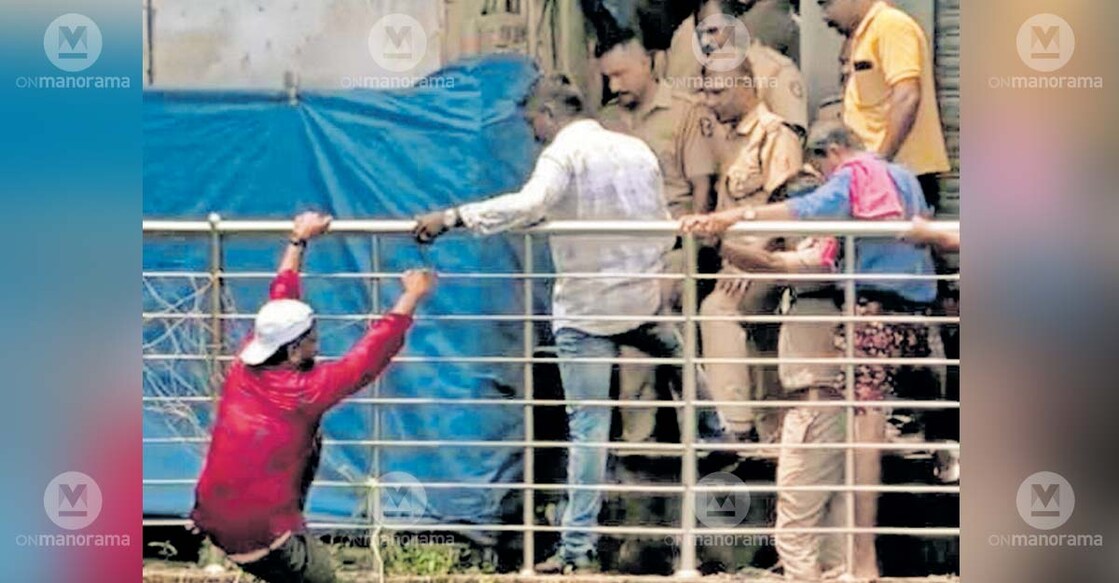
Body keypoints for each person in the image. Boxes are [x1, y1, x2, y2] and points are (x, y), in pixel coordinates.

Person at [412, 78, 682, 575]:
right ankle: (716, 426)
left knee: (588, 431)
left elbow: (527, 204)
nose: (532, 130)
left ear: (551, 112)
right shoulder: (636, 148)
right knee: (674, 350)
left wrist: (452, 217)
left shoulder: (563, 154)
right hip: (638, 299)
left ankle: (577, 549)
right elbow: (661, 224)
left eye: (533, 119)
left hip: (584, 312)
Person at [680, 121, 936, 579]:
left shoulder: (855, 181)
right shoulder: (899, 182)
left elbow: (808, 212)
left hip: (838, 376)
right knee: (833, 504)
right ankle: (851, 568)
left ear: (833, 153)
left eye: (825, 172)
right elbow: (781, 262)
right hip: (894, 330)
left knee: (800, 516)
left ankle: (862, 565)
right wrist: (724, 242)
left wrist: (733, 218)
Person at [190, 212, 436, 583]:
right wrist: (412, 295)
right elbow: (369, 356)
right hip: (265, 535)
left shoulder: (243, 365)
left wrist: (298, 239)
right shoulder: (307, 391)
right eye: (311, 338)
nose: (317, 343)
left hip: (210, 515)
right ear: (292, 350)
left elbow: (280, 299)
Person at [595, 35, 720, 447]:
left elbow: (702, 189)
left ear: (647, 64)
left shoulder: (686, 113)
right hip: (624, 254)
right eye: (608, 78)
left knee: (678, 339)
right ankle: (638, 443)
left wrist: (690, 254)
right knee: (633, 352)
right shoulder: (605, 120)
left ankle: (699, 442)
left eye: (621, 74)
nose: (615, 86)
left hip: (674, 249)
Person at [697, 56, 803, 445]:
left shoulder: (775, 137)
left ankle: (733, 428)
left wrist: (748, 262)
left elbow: (787, 209)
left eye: (718, 91)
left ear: (747, 86)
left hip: (768, 266)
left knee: (719, 310)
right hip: (738, 264)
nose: (710, 100)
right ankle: (766, 429)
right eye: (705, 91)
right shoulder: (732, 140)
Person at [819, 0, 951, 211]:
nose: (824, 16)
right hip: (878, 174)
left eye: (826, 4)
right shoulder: (864, 35)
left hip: (901, 175)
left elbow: (907, 95)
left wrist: (878, 164)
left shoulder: (891, 25)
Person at [665, 0, 809, 133]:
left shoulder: (777, 71)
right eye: (700, 33)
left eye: (713, 31)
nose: (705, 41)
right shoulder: (698, 71)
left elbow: (791, 139)